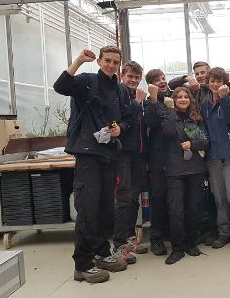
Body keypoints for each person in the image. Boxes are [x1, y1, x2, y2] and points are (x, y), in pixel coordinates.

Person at [54, 46, 131, 283]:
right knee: (87, 208)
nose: (111, 65)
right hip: (87, 154)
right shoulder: (87, 81)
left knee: (105, 208)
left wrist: (120, 129)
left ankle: (102, 253)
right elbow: (61, 87)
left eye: (115, 62)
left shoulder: (120, 90)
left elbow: (127, 119)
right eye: (107, 60)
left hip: (108, 154)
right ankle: (83, 264)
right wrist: (78, 61)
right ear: (99, 61)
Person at [200, 67, 230, 252]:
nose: (215, 84)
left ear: (225, 83)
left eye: (218, 81)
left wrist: (223, 99)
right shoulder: (204, 104)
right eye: (212, 81)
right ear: (208, 82)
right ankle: (224, 232)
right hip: (213, 157)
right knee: (219, 197)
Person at [161, 87, 209, 264]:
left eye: (185, 97)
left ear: (190, 99)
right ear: (174, 100)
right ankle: (177, 248)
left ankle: (191, 243)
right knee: (175, 210)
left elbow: (206, 141)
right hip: (175, 170)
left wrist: (193, 144)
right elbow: (168, 132)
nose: (182, 99)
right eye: (178, 97)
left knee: (193, 208)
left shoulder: (196, 119)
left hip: (195, 169)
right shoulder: (169, 116)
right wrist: (171, 110)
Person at [112, 61, 149, 264]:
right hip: (123, 155)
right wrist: (136, 104)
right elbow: (121, 120)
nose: (133, 80)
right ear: (122, 76)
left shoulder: (139, 97)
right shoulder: (118, 95)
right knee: (124, 198)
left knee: (134, 198)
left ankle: (128, 238)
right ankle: (118, 244)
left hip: (139, 155)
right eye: (130, 76)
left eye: (136, 77)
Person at [143, 69, 172, 256]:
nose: (161, 82)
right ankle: (156, 238)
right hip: (158, 159)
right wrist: (153, 99)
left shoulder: (175, 97)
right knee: (158, 198)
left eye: (162, 78)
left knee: (175, 198)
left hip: (177, 158)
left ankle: (174, 233)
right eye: (156, 80)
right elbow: (151, 123)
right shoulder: (148, 103)